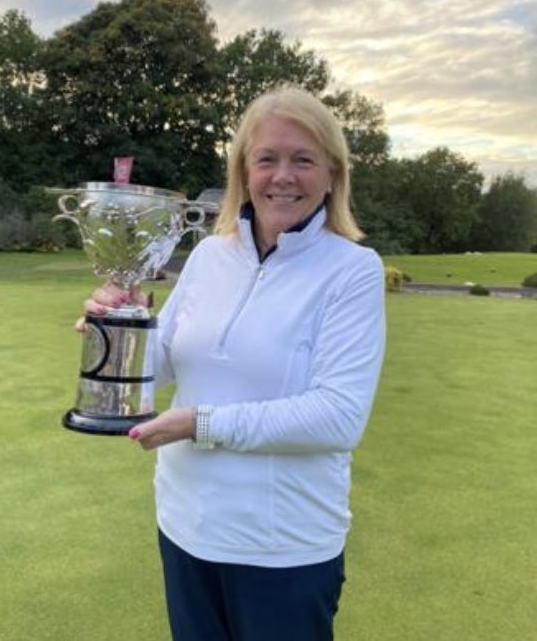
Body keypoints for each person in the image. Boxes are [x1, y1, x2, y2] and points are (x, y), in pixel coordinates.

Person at [84, 86, 386, 641]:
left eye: (303, 159)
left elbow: (339, 417)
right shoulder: (207, 256)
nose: (283, 176)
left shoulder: (353, 270)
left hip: (284, 549)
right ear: (244, 172)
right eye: (266, 158)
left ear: (332, 174)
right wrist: (120, 328)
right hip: (185, 527)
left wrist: (200, 424)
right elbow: (165, 367)